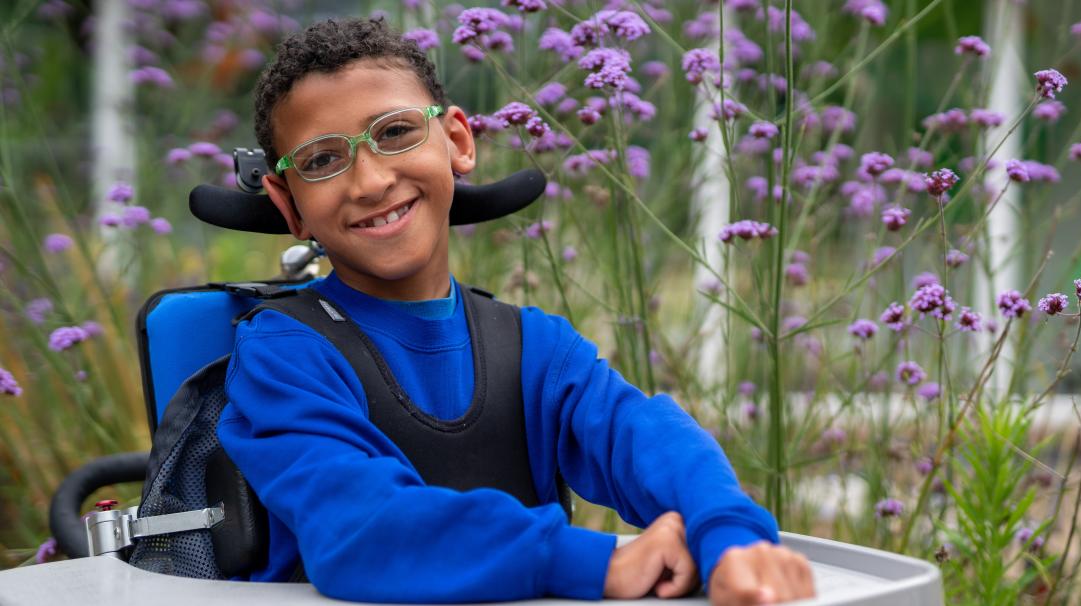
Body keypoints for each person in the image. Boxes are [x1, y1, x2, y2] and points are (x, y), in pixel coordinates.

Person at [217, 16, 814, 605]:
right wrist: (593, 560)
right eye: (321, 161)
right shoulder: (283, 353)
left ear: (457, 141)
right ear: (287, 202)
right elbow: (361, 529)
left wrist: (729, 538)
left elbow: (647, 439)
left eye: (395, 132)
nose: (371, 181)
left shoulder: (534, 348)